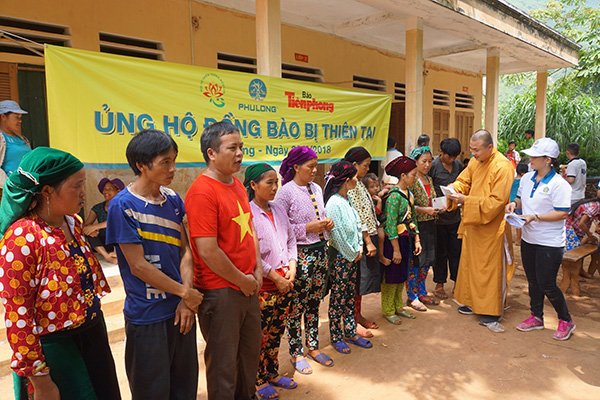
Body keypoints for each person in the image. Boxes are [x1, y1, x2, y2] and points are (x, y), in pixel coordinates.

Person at [0, 147, 120, 400]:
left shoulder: (73, 222)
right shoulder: (22, 238)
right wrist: (40, 378)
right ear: (47, 192)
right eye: (76, 185)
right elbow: (18, 312)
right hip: (55, 352)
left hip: (92, 336)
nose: (83, 192)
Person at [106, 129, 202, 399]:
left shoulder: (172, 199)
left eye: (174, 160)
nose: (173, 168)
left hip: (180, 311)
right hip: (147, 315)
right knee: (152, 392)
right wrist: (185, 293)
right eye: (165, 162)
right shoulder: (122, 206)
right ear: (141, 165)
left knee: (184, 388)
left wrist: (185, 298)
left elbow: (185, 251)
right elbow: (138, 266)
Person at [185, 121, 262, 400]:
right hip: (221, 292)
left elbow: (250, 228)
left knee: (249, 356)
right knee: (223, 365)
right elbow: (207, 250)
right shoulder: (202, 192)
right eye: (232, 148)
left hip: (248, 285)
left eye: (241, 147)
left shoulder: (238, 186)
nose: (240, 153)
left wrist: (257, 270)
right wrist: (243, 280)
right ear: (211, 153)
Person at [506, 137, 576, 341]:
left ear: (548, 160)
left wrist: (535, 217)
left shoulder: (559, 184)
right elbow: (520, 199)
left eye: (535, 156)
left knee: (547, 282)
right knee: (533, 281)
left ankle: (566, 320)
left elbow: (562, 213)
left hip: (550, 242)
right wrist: (514, 205)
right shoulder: (527, 178)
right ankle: (536, 316)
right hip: (529, 238)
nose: (530, 159)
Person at [447, 129, 514, 333]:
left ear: (490, 148)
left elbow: (497, 202)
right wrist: (454, 188)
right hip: (474, 224)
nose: (473, 154)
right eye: (471, 149)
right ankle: (472, 302)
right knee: (470, 265)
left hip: (492, 227)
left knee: (489, 270)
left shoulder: (502, 166)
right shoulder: (476, 162)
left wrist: (466, 201)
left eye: (477, 150)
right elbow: (464, 180)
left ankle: (491, 311)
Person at [275, 146, 334, 374]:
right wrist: (307, 228)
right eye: (310, 167)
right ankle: (296, 352)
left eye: (315, 166)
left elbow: (321, 215)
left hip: (320, 252)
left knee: (314, 303)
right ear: (296, 167)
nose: (314, 170)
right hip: (300, 256)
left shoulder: (317, 188)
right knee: (296, 306)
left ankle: (313, 346)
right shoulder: (286, 192)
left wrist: (327, 224)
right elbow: (280, 227)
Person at [244, 163, 299, 400]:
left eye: (276, 182)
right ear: (253, 185)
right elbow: (251, 254)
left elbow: (291, 241)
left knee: (277, 331)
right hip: (266, 286)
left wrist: (293, 267)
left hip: (286, 282)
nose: (275, 187)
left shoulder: (278, 210)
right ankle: (257, 379)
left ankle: (272, 372)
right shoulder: (247, 214)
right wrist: (275, 276)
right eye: (269, 183)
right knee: (261, 334)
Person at [324, 161, 373, 354]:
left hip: (352, 256)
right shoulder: (334, 203)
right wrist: (353, 253)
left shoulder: (347, 200)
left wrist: (359, 247)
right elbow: (337, 235)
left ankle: (351, 331)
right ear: (345, 180)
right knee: (338, 298)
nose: (356, 179)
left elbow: (356, 224)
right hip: (342, 258)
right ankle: (336, 336)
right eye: (353, 177)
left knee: (349, 296)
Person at [379, 156, 422, 324]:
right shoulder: (394, 197)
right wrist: (395, 249)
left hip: (406, 239)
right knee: (391, 276)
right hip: (393, 241)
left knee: (402, 274)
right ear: (403, 176)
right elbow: (390, 225)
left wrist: (417, 239)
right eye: (413, 174)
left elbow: (413, 219)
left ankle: (398, 306)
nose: (415, 177)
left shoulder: (409, 194)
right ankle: (388, 309)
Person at [345, 147, 380, 337]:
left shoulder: (358, 183)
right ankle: (350, 318)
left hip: (368, 236)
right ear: (354, 165)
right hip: (357, 240)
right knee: (354, 281)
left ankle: (357, 315)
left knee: (360, 281)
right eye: (365, 165)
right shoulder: (349, 185)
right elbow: (357, 215)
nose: (367, 169)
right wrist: (367, 241)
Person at [429, 138, 463, 299]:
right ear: (441, 153)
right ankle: (439, 284)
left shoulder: (459, 167)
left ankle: (458, 284)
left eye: (454, 157)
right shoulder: (434, 167)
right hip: (438, 219)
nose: (450, 160)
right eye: (448, 156)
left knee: (456, 252)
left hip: (455, 218)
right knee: (440, 253)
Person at [407, 146, 439, 311]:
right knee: (416, 261)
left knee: (427, 260)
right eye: (423, 161)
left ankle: (422, 291)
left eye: (429, 161)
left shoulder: (429, 179)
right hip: (416, 225)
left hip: (430, 223)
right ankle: (412, 295)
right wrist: (424, 209)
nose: (427, 165)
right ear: (415, 162)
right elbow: (409, 205)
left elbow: (431, 199)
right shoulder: (411, 180)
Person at [84, 177, 124, 264]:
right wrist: (91, 231)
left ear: (118, 191)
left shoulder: (121, 206)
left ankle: (116, 253)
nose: (106, 192)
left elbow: (115, 222)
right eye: (105, 189)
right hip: (104, 242)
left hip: (120, 243)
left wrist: (94, 227)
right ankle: (107, 257)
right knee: (89, 233)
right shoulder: (97, 208)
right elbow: (85, 226)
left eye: (110, 189)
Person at [565, 188, 600, 277]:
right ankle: (572, 276)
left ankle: (579, 271)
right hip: (570, 229)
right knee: (576, 252)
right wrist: (589, 235)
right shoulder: (596, 207)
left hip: (574, 229)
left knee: (582, 247)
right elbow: (581, 224)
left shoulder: (594, 204)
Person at [0, 100, 31, 191]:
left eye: (21, 118)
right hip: (15, 193)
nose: (20, 121)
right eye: (16, 117)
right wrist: (10, 186)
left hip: (29, 188)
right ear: (3, 116)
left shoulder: (22, 139)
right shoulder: (2, 139)